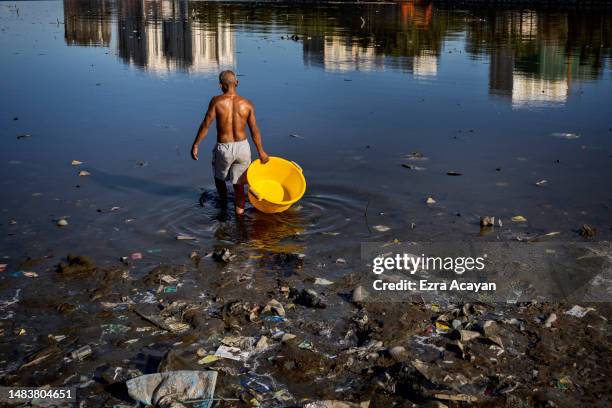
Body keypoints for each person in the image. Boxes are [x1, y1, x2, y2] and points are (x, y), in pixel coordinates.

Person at [191, 70, 269, 215]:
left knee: (219, 179)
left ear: (221, 86)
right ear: (237, 83)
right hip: (243, 148)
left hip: (224, 148)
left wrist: (196, 144)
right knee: (239, 186)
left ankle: (224, 209)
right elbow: (254, 130)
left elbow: (206, 125)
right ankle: (239, 218)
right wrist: (261, 152)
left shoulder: (216, 101)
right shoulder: (247, 104)